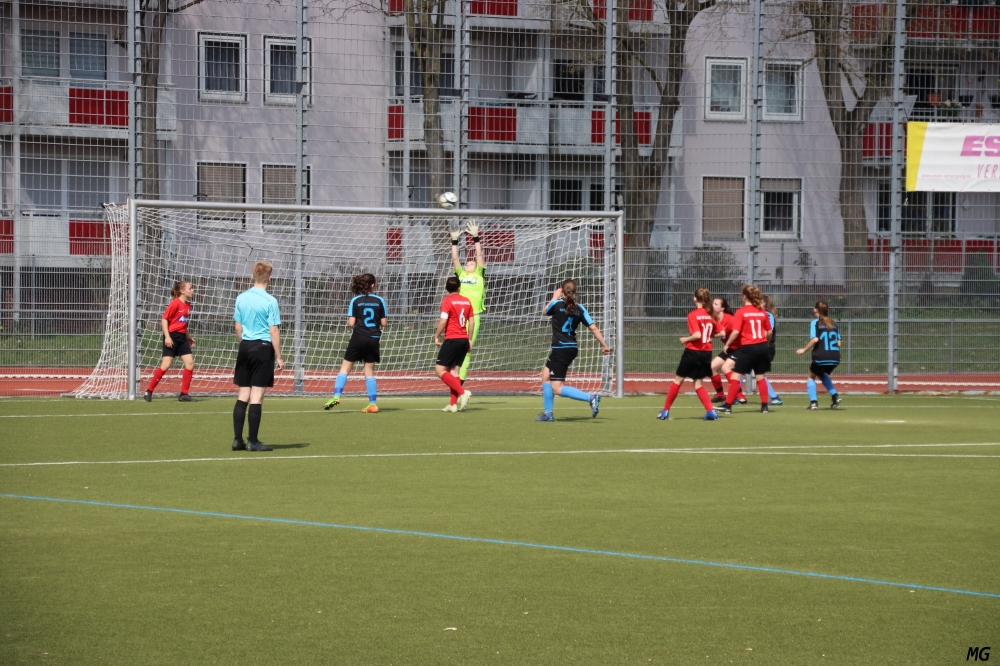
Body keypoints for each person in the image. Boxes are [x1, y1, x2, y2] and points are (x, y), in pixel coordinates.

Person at [535, 279, 611, 422]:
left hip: (561, 349)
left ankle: (590, 398)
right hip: (570, 348)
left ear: (562, 291)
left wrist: (554, 297)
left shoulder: (556, 304)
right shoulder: (580, 308)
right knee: (545, 375)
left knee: (557, 388)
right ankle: (548, 413)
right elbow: (593, 328)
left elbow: (544, 312)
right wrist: (604, 345)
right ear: (574, 292)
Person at [232, 261, 284, 452]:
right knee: (257, 397)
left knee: (242, 395)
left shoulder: (241, 297)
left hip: (245, 346)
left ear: (252, 276)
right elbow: (273, 331)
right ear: (270, 278)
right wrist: (279, 356)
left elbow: (238, 327)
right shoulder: (270, 301)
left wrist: (244, 344)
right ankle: (252, 441)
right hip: (262, 348)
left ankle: (238, 440)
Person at [324, 273, 386, 413]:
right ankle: (373, 404)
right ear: (373, 285)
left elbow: (351, 323)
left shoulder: (355, 300)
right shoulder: (380, 300)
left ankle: (337, 396)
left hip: (358, 337)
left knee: (345, 368)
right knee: (369, 371)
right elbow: (384, 323)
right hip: (374, 338)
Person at [658, 287, 720, 421]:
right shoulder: (712, 314)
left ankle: (665, 411)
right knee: (698, 384)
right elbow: (721, 333)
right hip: (706, 353)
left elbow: (697, 335)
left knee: (678, 380)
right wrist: (708, 335)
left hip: (693, 351)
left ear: (695, 298)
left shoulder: (693, 315)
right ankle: (711, 411)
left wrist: (686, 339)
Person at [717, 285, 772, 415]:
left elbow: (736, 332)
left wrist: (727, 344)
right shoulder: (762, 311)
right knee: (760, 377)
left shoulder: (741, 312)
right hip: (762, 346)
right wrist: (767, 343)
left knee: (735, 377)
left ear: (744, 297)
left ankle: (728, 406)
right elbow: (769, 332)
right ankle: (764, 407)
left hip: (748, 347)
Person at [144, 280, 196, 402]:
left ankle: (184, 394)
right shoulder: (175, 303)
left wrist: (188, 337)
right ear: (182, 291)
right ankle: (149, 390)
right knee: (166, 365)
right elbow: (164, 319)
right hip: (171, 336)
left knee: (190, 363)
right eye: (190, 288)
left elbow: (183, 323)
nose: (192, 290)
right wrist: (167, 337)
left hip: (182, 337)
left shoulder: (187, 305)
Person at [450, 220, 486, 385]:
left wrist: (476, 237)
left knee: (468, 349)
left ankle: (460, 384)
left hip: (474, 317)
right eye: (467, 263)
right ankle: (453, 378)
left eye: (472, 262)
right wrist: (454, 240)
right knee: (455, 348)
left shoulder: (479, 274)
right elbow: (455, 258)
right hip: (459, 317)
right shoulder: (461, 275)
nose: (469, 263)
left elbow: (479, 256)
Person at [434, 276, 474, 413]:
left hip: (452, 339)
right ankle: (453, 404)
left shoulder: (447, 300)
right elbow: (472, 322)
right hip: (463, 339)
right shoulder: (467, 301)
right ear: (459, 288)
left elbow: (443, 321)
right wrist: (469, 339)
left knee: (439, 370)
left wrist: (437, 336)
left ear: (447, 288)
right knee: (454, 371)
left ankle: (462, 392)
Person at [796, 301, 843, 410]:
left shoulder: (815, 323)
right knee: (821, 374)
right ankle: (835, 396)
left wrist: (804, 350)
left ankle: (813, 402)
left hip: (821, 356)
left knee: (811, 376)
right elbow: (839, 343)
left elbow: (815, 339)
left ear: (816, 309)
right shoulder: (834, 323)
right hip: (835, 357)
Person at [708, 298, 746, 405]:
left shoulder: (730, 319)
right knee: (711, 368)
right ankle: (720, 394)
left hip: (740, 348)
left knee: (725, 368)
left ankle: (740, 395)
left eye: (716, 304)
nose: (713, 305)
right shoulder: (714, 320)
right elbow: (716, 333)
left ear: (722, 308)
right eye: (713, 303)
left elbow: (737, 332)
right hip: (729, 349)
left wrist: (727, 342)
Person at [762, 294, 783, 406]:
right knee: (742, 370)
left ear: (764, 304)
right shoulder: (757, 314)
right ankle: (736, 396)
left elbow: (768, 332)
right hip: (758, 346)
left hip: (766, 346)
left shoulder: (768, 315)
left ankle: (775, 397)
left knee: (758, 373)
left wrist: (764, 344)